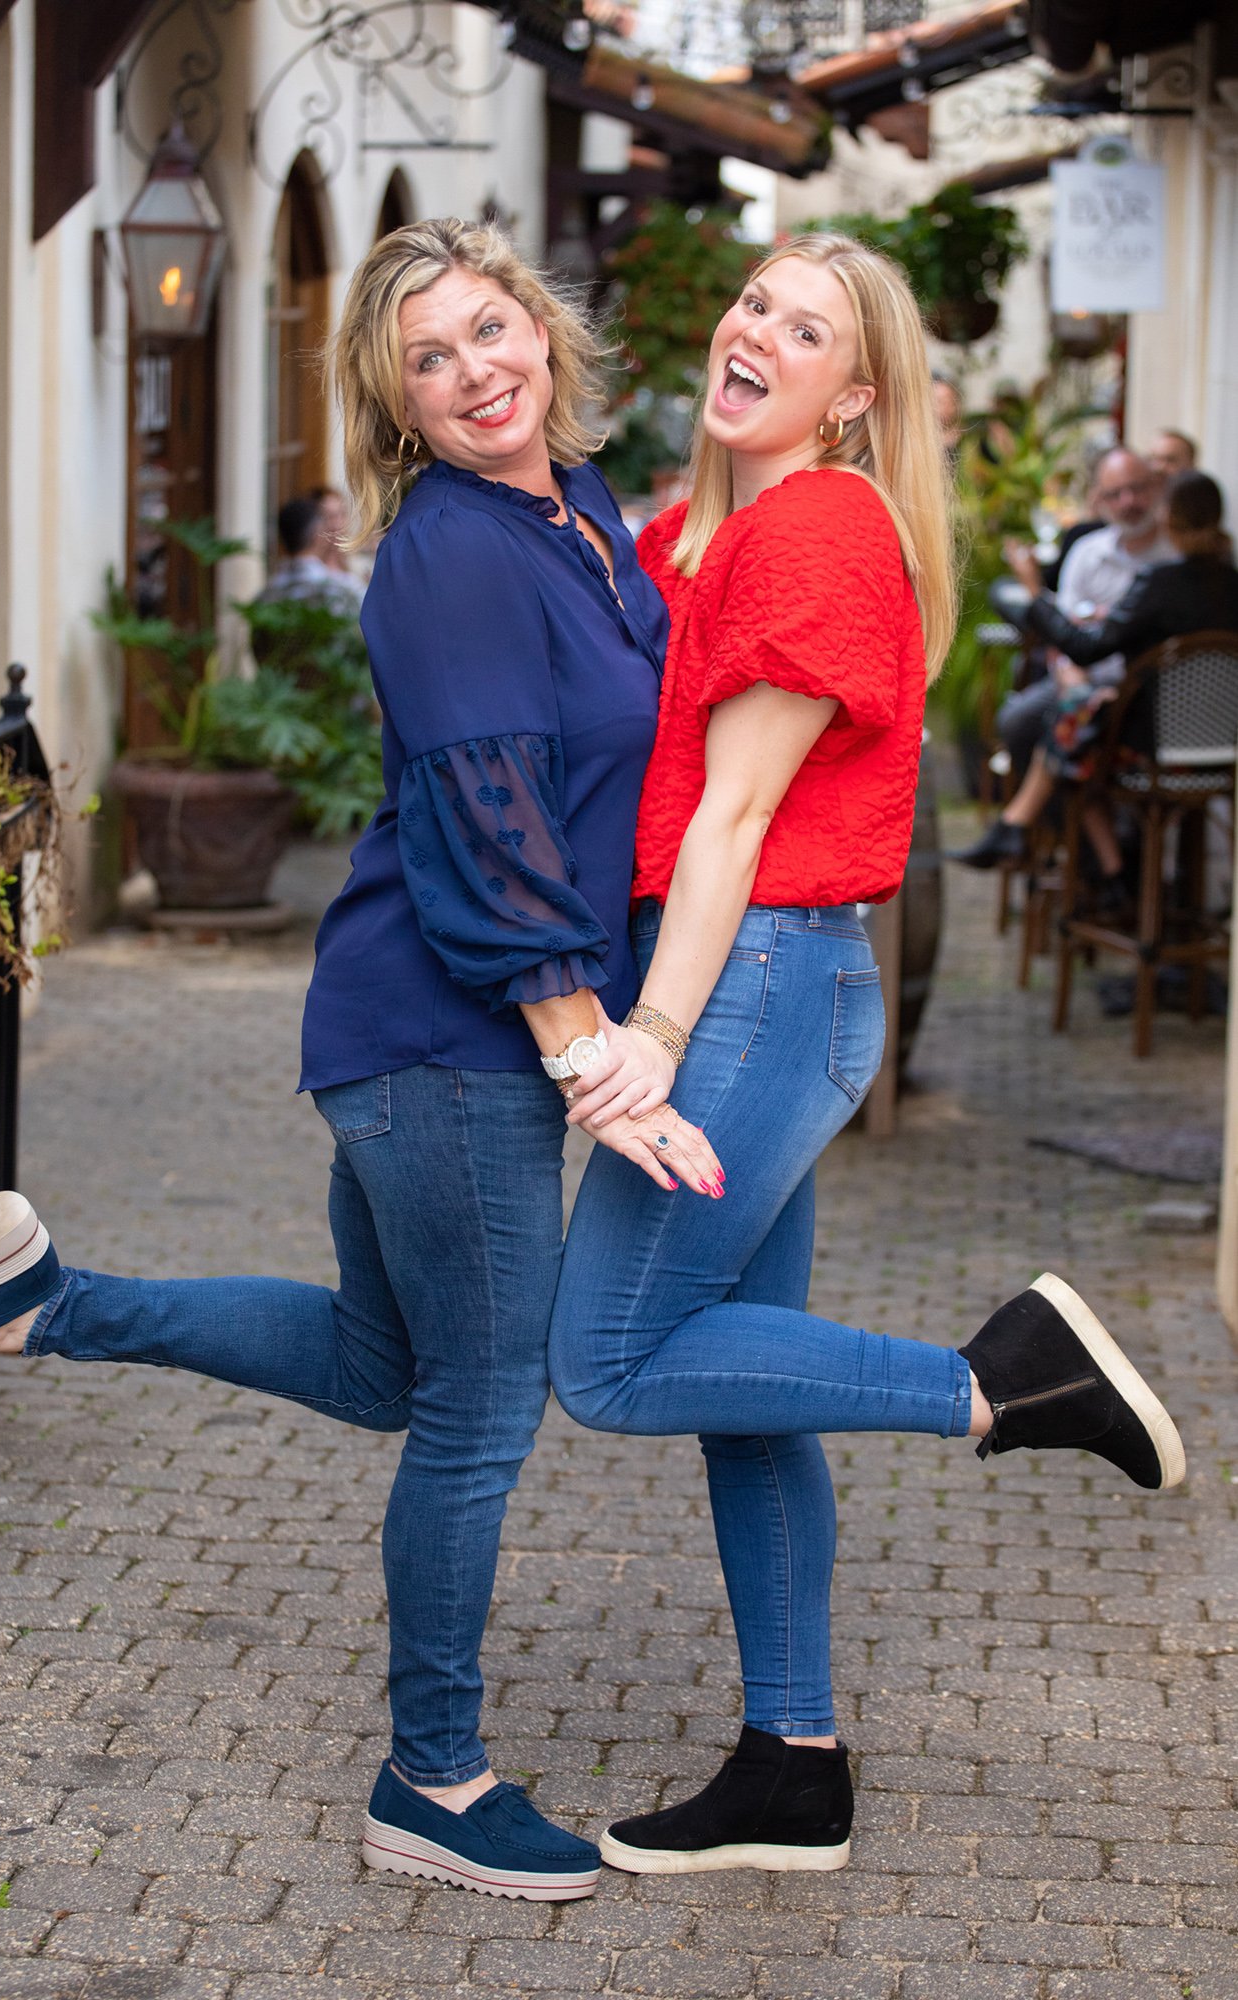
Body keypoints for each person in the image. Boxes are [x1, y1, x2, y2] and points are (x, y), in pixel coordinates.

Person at [0, 219, 719, 1905]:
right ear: (395, 406)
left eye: (488, 330)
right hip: (448, 1035)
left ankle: (39, 1301)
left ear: (544, 332)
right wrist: (585, 1051)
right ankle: (433, 1778)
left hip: (422, 1031)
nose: (473, 372)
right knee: (478, 1412)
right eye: (428, 359)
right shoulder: (453, 554)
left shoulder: (577, 514)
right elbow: (489, 815)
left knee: (376, 1364)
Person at [543, 232, 1186, 1878]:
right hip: (750, 979)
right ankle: (794, 1766)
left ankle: (1003, 1381)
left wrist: (652, 1038)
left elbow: (737, 815)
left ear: (854, 392)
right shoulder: (706, 526)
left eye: (807, 325)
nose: (756, 326)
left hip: (750, 985)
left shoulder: (819, 528)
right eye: (753, 298)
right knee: (743, 1391)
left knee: (605, 1356)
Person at [978, 471, 1238, 901]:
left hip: (1150, 753)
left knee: (1071, 738)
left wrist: (1034, 591)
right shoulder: (1231, 583)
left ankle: (1106, 870)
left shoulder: (1160, 583)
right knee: (1076, 717)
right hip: (1222, 754)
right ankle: (1115, 876)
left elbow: (1085, 649)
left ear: (1168, 517)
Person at [953, 445, 1176, 866]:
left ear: (1157, 487)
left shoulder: (1174, 559)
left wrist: (1035, 591)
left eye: (1137, 489)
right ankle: (1073, 851)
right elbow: (1065, 635)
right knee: (1019, 722)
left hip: (1145, 697)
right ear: (1099, 500)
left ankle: (1076, 853)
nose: (1128, 501)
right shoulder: (1089, 552)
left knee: (1069, 732)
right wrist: (1069, 673)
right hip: (1083, 680)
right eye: (1115, 494)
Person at [257, 493, 365, 615]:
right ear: (317, 534)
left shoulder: (267, 594)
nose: (336, 526)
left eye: (342, 515)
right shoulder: (344, 592)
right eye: (329, 519)